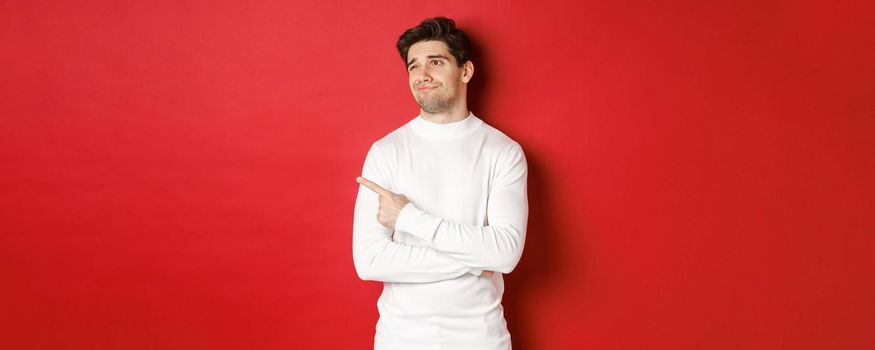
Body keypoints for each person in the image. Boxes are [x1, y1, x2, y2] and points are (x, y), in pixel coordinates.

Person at [352, 16, 528, 350]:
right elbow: (369, 261)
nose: (422, 75)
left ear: (465, 71)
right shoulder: (385, 152)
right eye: (413, 66)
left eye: (435, 62)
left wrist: (408, 219)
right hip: (400, 340)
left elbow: (505, 253)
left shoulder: (503, 152)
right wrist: (475, 260)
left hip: (481, 340)